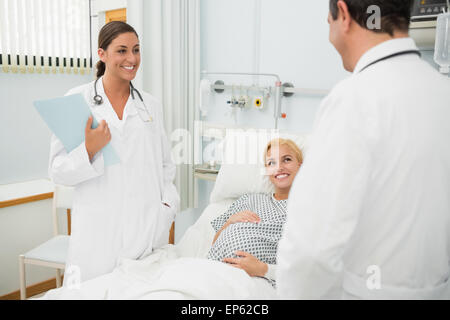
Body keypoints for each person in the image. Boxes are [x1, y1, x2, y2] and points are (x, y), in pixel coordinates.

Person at [277, 0, 450, 299]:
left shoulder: (354, 99)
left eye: (327, 20)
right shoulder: (442, 92)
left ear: (343, 15)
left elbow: (310, 251)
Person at [48, 21, 180, 284]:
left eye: (136, 50)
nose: (132, 59)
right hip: (97, 232)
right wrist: (89, 149)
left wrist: (167, 207)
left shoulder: (150, 105)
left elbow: (166, 165)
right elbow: (57, 170)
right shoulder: (76, 100)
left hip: (146, 230)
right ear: (102, 54)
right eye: (121, 51)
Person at [207, 139, 303, 285]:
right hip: (213, 268)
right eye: (272, 163)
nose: (279, 167)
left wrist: (262, 269)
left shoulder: (305, 210)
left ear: (300, 165)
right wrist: (229, 222)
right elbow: (215, 243)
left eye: (287, 159)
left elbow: (304, 268)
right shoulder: (249, 199)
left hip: (257, 280)